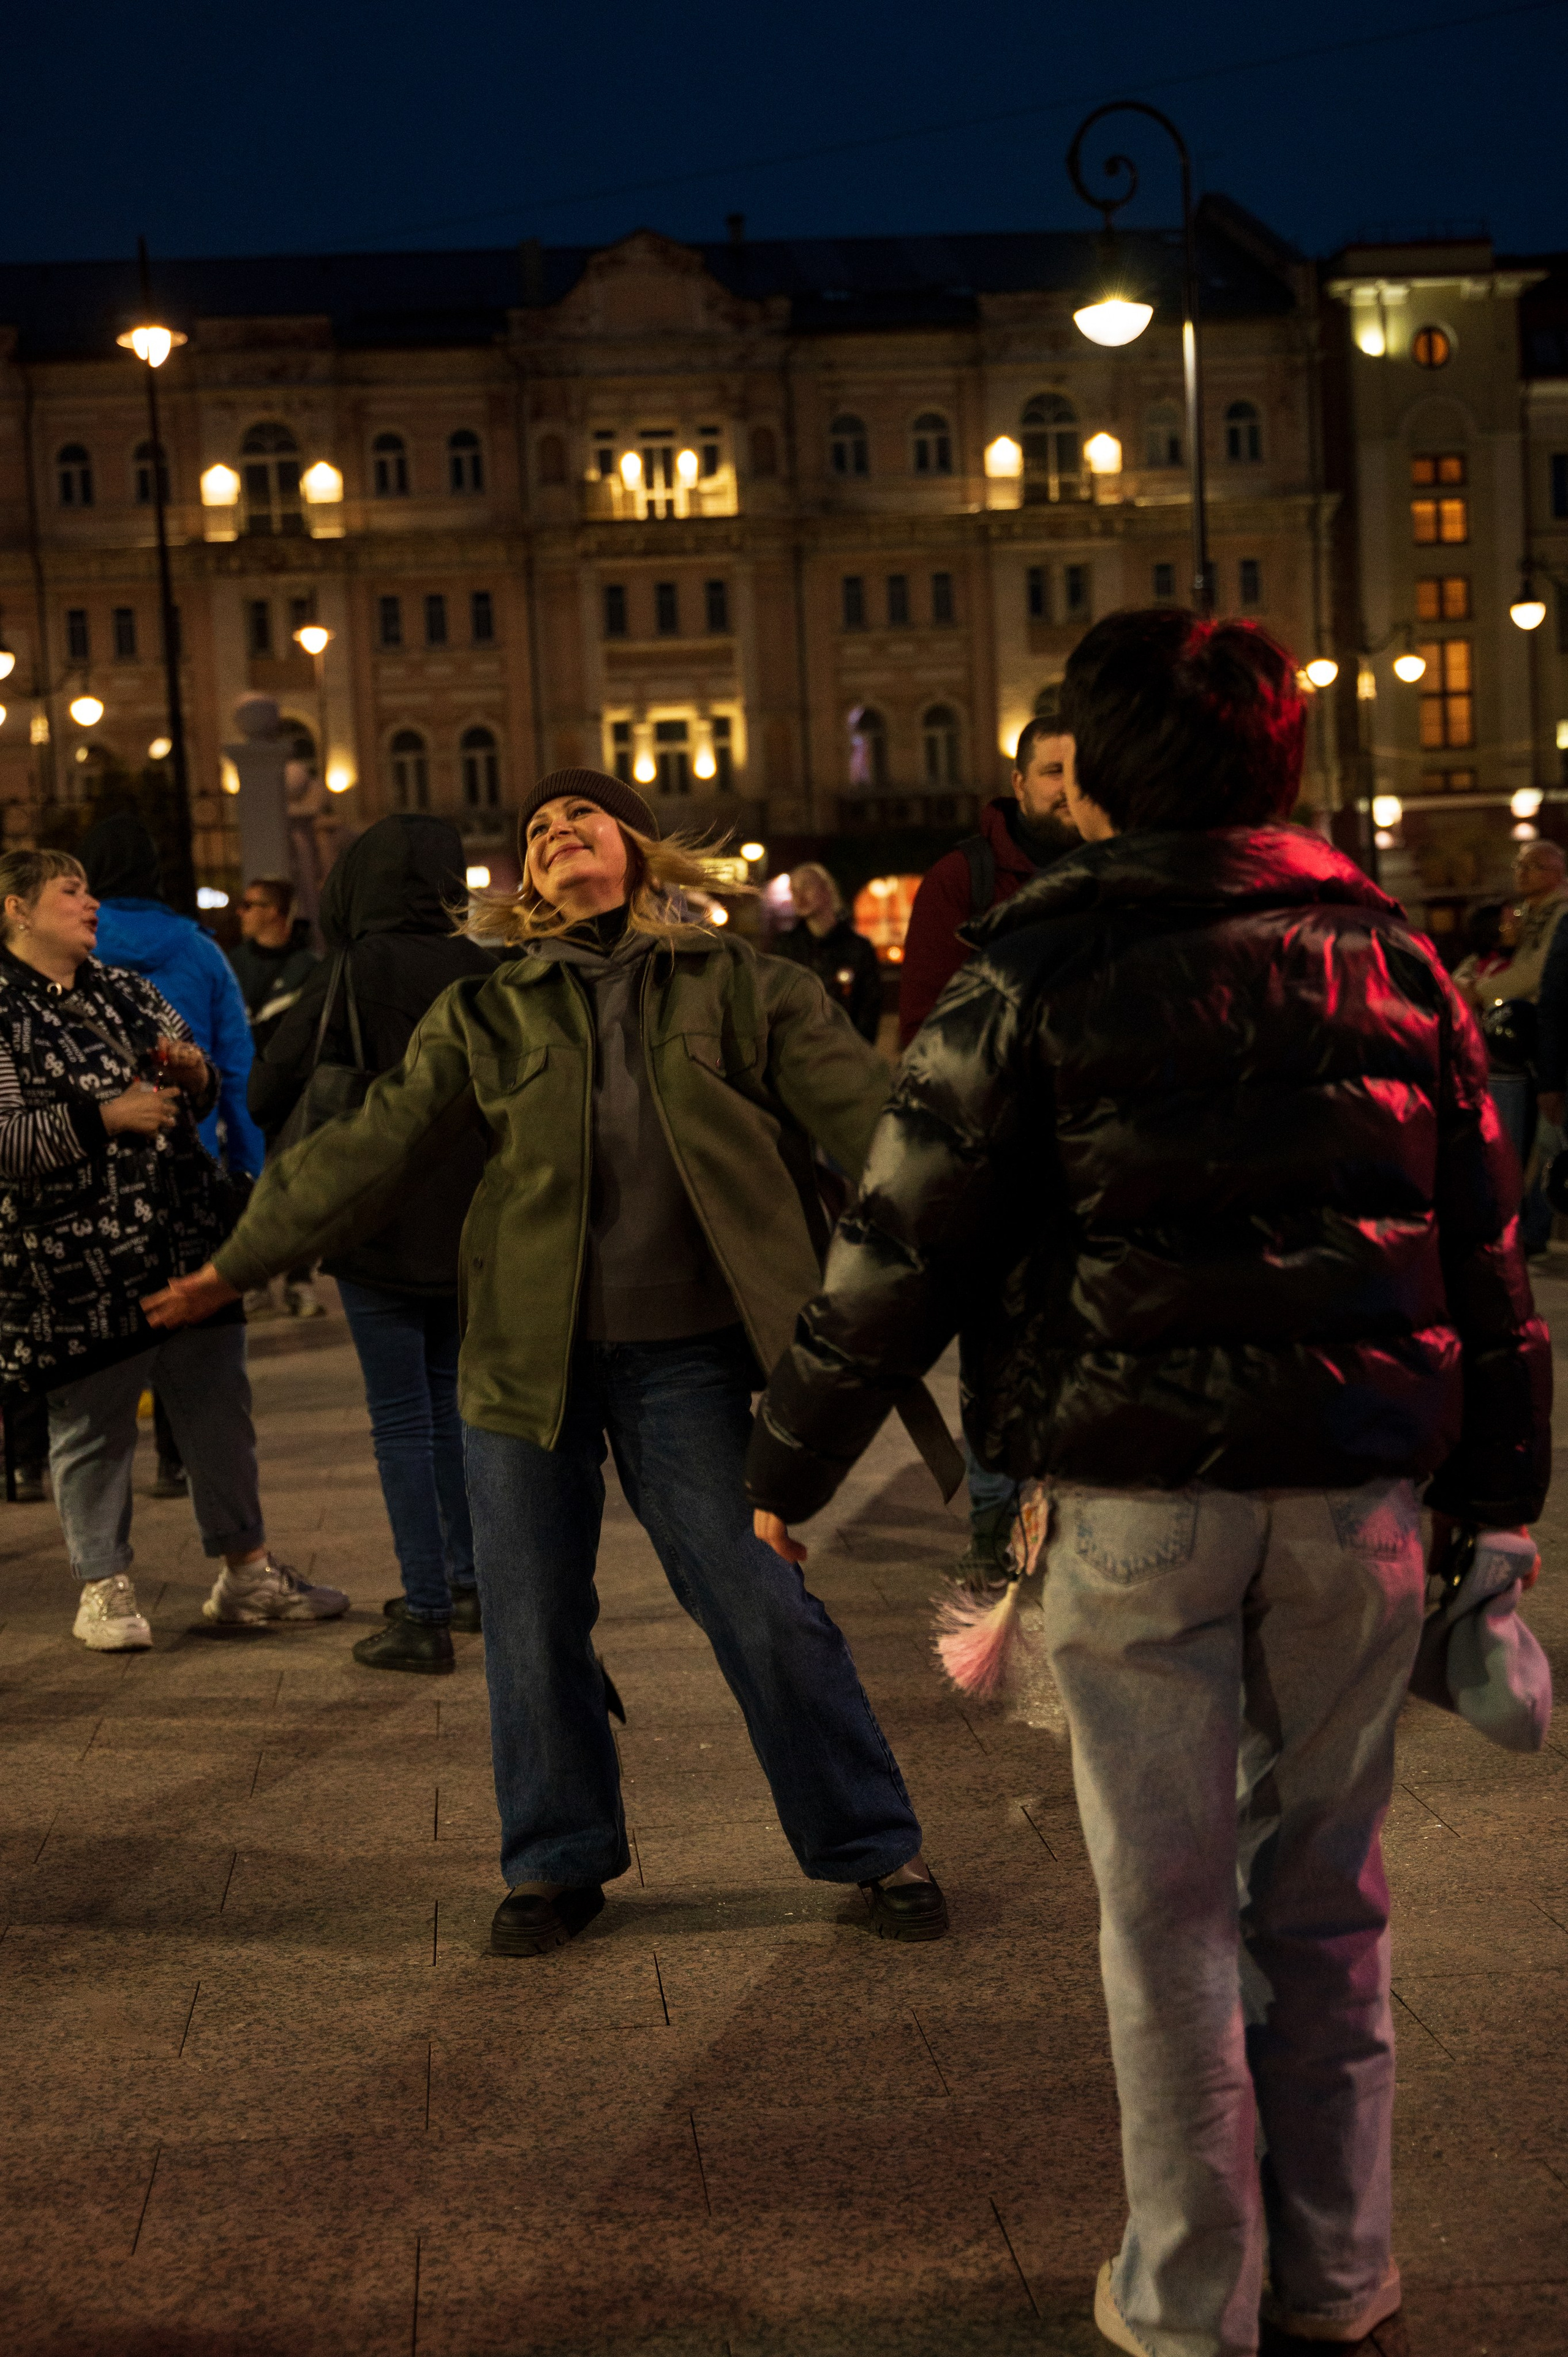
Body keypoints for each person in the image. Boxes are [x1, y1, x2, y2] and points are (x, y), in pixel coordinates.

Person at [745, 612, 1550, 2357]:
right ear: (1280, 758)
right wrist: (1502, 1499)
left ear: (1093, 779)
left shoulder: (1033, 964)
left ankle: (1190, 2293)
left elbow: (902, 1236)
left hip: (1132, 1491)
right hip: (1356, 1494)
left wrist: (787, 1457)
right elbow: (1486, 1256)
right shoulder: (1391, 956)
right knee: (1326, 1895)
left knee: (1167, 1911)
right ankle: (1339, 2272)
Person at [143, 769, 947, 1958]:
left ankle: (872, 1841)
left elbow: (877, 1128)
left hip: (686, 1361)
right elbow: (371, 1146)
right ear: (524, 881)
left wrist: (979, 1220)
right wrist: (237, 1261)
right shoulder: (489, 1010)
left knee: (756, 1600)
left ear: (638, 845)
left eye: (582, 816)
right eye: (537, 830)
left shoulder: (741, 985)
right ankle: (556, 1860)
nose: (559, 831)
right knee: (526, 1618)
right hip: (524, 1360)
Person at [0, 850, 349, 1650]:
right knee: (94, 1424)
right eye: (70, 891)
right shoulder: (5, 1009)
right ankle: (103, 1587)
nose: (91, 903)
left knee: (219, 1407)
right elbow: (5, 1140)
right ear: (17, 909)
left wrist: (194, 1076)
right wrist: (105, 1118)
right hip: (74, 1266)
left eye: (90, 888)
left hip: (181, 1235)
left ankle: (247, 1571)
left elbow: (203, 1070)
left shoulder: (126, 989)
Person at [247, 815, 494, 1673]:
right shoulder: (485, 969)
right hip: (471, 1229)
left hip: (377, 1224)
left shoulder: (353, 968)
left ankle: (423, 1610)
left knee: (399, 1420)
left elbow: (267, 1087)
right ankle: (469, 1583)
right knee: (455, 1406)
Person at [899, 707, 1083, 1578]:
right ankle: (993, 1526)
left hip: (1098, 1164)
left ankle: (1077, 1519)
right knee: (996, 1352)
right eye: (1052, 771)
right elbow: (926, 1029)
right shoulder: (965, 879)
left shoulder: (1121, 866)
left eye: (1080, 773)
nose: (1067, 789)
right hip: (1000, 1163)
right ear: (1019, 783)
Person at [82, 813, 268, 1498]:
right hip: (190, 1164)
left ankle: (76, 1473)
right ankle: (177, 1456)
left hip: (96, 1171)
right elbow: (239, 1069)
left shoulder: (72, 952)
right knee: (190, 1311)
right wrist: (249, 1171)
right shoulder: (200, 952)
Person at [227, 875, 324, 1319]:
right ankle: (255, 1280)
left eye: (250, 904)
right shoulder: (232, 964)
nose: (241, 912)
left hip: (294, 1096)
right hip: (243, 1094)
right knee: (248, 1188)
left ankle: (300, 1280)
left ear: (274, 913)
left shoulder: (310, 968)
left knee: (300, 1188)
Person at [772, 864, 883, 1043]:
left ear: (827, 889)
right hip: (799, 1050)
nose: (799, 896)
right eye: (794, 890)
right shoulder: (786, 947)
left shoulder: (858, 947)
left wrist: (858, 1048)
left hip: (846, 1049)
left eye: (806, 886)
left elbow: (869, 1006)